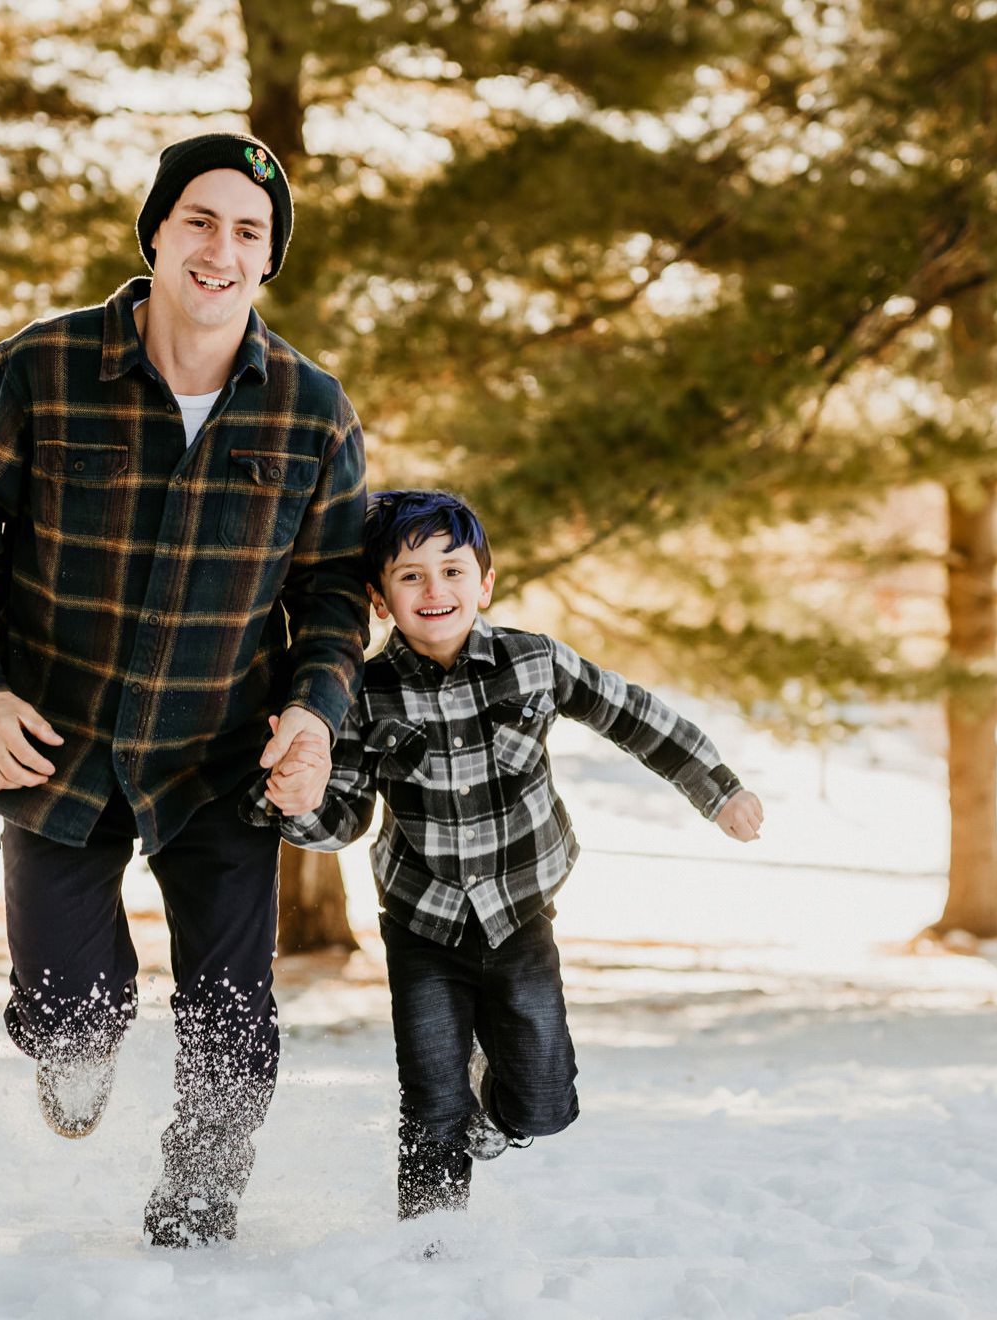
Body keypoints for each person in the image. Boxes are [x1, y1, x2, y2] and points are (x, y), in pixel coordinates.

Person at [0, 132, 369, 1248]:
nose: (221, 248)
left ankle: (199, 1211)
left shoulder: (312, 410)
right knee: (67, 1008)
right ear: (157, 231)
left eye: (249, 232)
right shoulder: (41, 366)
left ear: (270, 261)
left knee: (233, 1016)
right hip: (56, 748)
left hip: (221, 757)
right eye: (199, 220)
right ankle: (78, 1039)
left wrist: (313, 713)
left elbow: (339, 592)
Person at [250, 489, 765, 1219]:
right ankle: (431, 1246)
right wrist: (297, 804)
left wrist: (719, 790)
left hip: (521, 913)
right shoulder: (363, 694)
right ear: (378, 598)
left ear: (484, 583)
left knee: (544, 1105)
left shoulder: (533, 663)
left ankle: (491, 1098)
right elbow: (345, 820)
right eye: (411, 576)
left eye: (453, 571)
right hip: (421, 922)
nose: (436, 590)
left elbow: (637, 716)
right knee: (430, 1102)